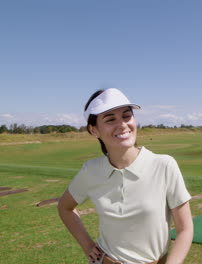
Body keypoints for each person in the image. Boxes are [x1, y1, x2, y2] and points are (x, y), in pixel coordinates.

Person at [58, 88, 193, 264]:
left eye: (126, 116)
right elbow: (65, 207)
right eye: (110, 119)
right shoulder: (90, 170)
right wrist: (88, 246)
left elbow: (185, 229)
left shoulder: (164, 165)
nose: (122, 124)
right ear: (94, 130)